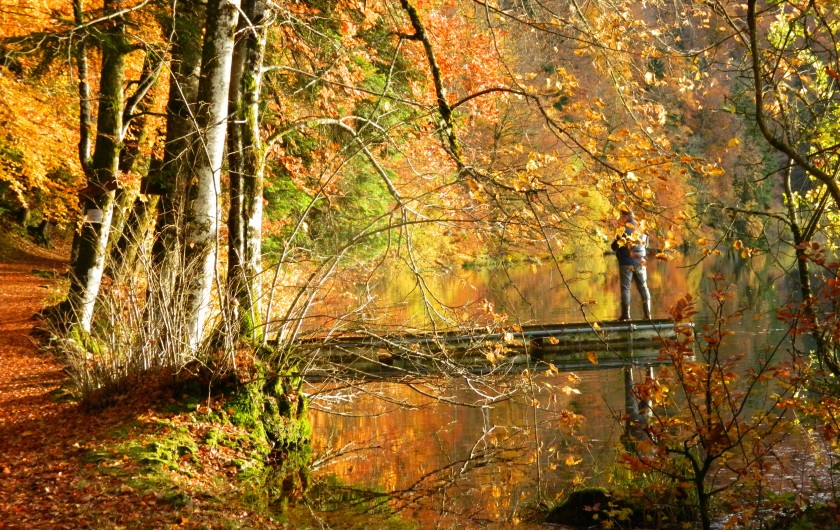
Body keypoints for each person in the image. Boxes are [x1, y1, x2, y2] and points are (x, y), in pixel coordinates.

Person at [611, 209, 652, 320]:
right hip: (640, 262)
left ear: (625, 216)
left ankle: (626, 315)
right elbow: (646, 245)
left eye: (621, 216)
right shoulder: (642, 227)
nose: (619, 218)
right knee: (643, 287)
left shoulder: (622, 229)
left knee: (625, 289)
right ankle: (647, 315)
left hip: (626, 262)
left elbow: (614, 246)